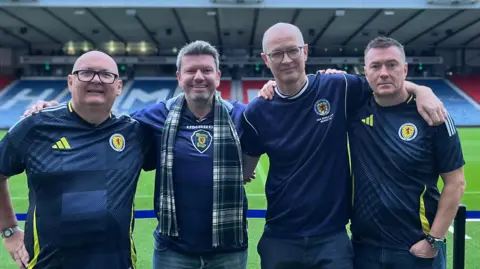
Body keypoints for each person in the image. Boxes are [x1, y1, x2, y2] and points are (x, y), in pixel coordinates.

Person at [21, 40, 252, 269]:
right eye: (191, 70)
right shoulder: (153, 116)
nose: (199, 77)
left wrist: (272, 88)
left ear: (218, 76)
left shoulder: (243, 116)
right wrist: (52, 110)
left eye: (207, 70)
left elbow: (272, 126)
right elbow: (104, 121)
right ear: (179, 78)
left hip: (229, 248)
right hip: (173, 250)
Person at [241, 22, 446, 269]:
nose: (286, 60)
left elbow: (384, 83)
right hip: (280, 237)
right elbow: (245, 170)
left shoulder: (340, 87)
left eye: (293, 51)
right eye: (277, 54)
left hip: (332, 238)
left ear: (305, 51)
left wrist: (422, 90)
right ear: (266, 59)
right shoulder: (256, 113)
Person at [0, 51, 151, 269]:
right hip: (48, 264)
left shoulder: (134, 133)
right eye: (86, 73)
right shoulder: (35, 127)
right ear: (71, 82)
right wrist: (9, 230)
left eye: (105, 74)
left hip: (116, 263)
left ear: (118, 87)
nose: (96, 79)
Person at [346, 36, 465, 269]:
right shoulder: (355, 108)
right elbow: (314, 85)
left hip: (415, 250)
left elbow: (456, 183)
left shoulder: (434, 115)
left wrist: (433, 240)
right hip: (364, 249)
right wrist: (272, 85)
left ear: (405, 69)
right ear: (365, 72)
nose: (383, 73)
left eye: (392, 65)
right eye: (375, 66)